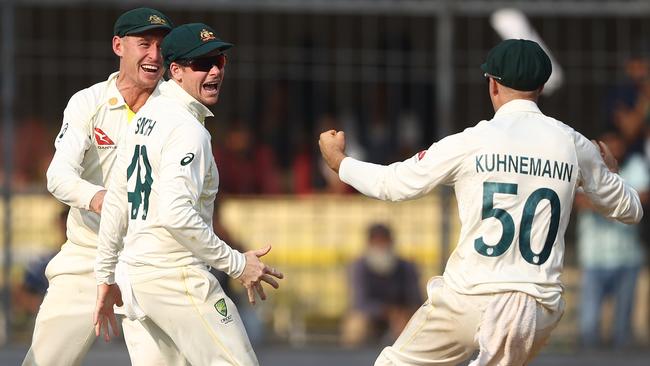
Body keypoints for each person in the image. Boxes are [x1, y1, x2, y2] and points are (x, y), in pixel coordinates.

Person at [319, 39, 644, 366]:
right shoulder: (572, 143)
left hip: (470, 298)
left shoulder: (471, 142)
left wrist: (340, 163)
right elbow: (631, 210)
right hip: (536, 310)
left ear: (492, 84)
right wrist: (611, 175)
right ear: (542, 87)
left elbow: (393, 185)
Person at [93, 23, 284, 365]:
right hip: (175, 277)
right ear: (176, 71)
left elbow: (117, 200)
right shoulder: (187, 129)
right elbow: (174, 214)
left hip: (135, 282)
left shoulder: (144, 117)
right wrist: (237, 263)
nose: (214, 71)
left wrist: (106, 276)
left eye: (219, 62)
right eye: (201, 64)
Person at [22, 8, 179, 366]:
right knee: (43, 361)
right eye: (144, 44)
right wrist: (100, 199)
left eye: (161, 46)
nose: (155, 55)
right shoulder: (88, 103)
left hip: (151, 258)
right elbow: (58, 176)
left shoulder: (176, 109)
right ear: (118, 46)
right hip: (87, 254)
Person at [575, 131, 650, 348]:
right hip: (593, 258)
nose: (613, 151)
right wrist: (617, 203)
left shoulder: (635, 165)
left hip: (627, 257)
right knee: (588, 328)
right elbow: (577, 200)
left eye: (616, 146)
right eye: (608, 147)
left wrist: (601, 202)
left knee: (622, 332)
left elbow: (644, 196)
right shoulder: (585, 167)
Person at [341, 223, 422, 347]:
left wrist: (403, 315)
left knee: (411, 325)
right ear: (369, 244)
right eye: (377, 242)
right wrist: (387, 311)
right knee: (355, 325)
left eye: (384, 241)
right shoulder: (359, 267)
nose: (381, 247)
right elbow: (359, 303)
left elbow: (416, 301)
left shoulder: (407, 267)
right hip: (370, 317)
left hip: (399, 317)